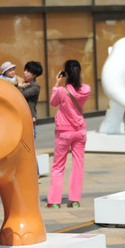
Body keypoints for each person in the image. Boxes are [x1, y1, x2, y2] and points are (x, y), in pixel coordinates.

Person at [46, 60, 91, 209]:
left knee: (58, 166)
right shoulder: (86, 89)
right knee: (78, 165)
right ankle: (75, 200)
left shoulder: (61, 90)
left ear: (66, 73)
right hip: (80, 132)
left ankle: (54, 201)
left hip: (64, 133)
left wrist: (56, 84)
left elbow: (53, 103)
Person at [18, 61, 42, 137]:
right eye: (25, 70)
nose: (25, 73)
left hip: (29, 118)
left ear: (34, 75)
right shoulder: (24, 84)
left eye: (28, 71)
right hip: (20, 117)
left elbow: (21, 95)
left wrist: (20, 85)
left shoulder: (35, 86)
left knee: (28, 141)